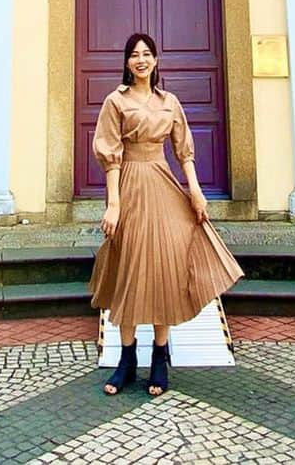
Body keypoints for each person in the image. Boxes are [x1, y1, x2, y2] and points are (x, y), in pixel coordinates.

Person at [88, 32, 244, 397]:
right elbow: (110, 155)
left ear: (156, 60)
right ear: (127, 63)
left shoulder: (170, 102)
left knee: (163, 270)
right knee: (128, 268)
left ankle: (159, 357)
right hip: (129, 185)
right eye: (134, 55)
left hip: (163, 184)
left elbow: (184, 151)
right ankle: (127, 360)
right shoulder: (115, 101)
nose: (140, 60)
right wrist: (113, 203)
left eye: (147, 54)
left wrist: (196, 191)